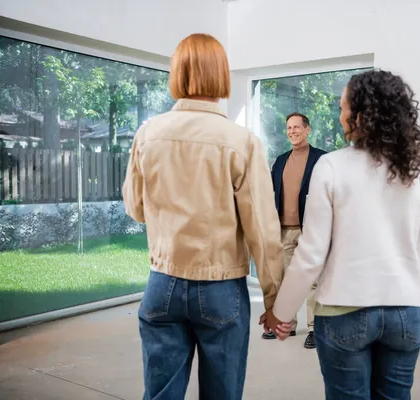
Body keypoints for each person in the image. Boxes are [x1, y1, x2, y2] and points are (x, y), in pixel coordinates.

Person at [263, 69, 420, 399]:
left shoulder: (331, 167)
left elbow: (311, 255)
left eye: (344, 107)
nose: (340, 113)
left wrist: (280, 313)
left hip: (343, 311)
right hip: (404, 312)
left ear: (360, 115)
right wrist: (414, 313)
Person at [123, 33, 284, 400]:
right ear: (221, 75)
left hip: (162, 283)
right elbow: (262, 229)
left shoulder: (148, 134)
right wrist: (275, 300)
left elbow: (135, 210)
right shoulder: (240, 141)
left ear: (177, 73)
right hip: (221, 287)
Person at [261, 112, 326, 349]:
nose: (292, 131)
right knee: (286, 281)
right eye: (289, 128)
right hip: (284, 230)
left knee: (313, 281)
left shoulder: (322, 159)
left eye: (297, 127)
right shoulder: (280, 161)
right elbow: (270, 194)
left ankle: (314, 328)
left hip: (311, 230)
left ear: (307, 129)